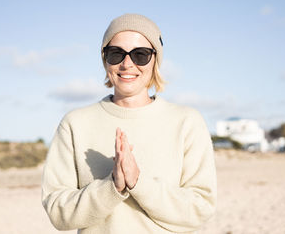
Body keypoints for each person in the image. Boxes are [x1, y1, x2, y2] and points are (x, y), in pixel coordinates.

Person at [41, 13, 217, 234]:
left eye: (140, 54)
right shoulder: (74, 124)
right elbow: (58, 213)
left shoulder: (187, 122)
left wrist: (138, 183)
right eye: (116, 54)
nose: (127, 64)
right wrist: (112, 186)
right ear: (105, 59)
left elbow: (201, 209)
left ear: (155, 60)